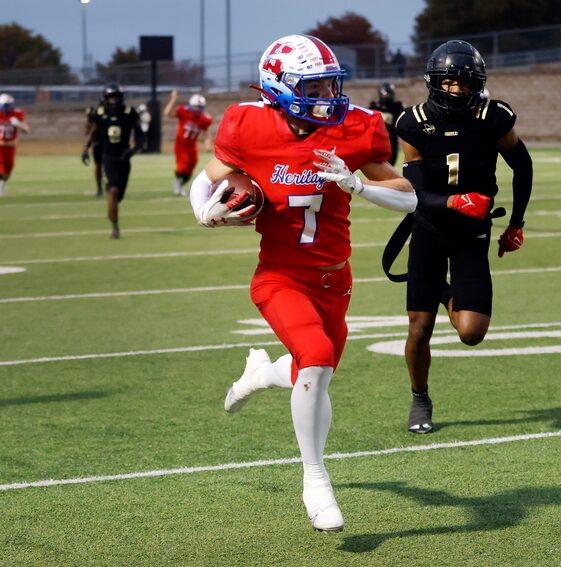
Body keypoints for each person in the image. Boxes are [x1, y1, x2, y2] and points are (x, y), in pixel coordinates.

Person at [187, 34, 416, 532]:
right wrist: (204, 213)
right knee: (313, 357)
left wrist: (357, 184)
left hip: (336, 279)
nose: (327, 97)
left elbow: (408, 196)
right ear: (278, 89)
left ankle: (259, 373)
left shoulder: (356, 128)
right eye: (314, 87)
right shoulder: (249, 125)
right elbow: (205, 181)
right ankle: (315, 480)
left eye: (331, 85)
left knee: (313, 368)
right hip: (279, 277)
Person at [392, 40, 533, 434]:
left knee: (471, 333)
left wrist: (516, 223)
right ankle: (420, 398)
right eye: (450, 81)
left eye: (465, 83)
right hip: (429, 229)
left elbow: (523, 167)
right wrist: (454, 201)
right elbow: (415, 193)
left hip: (473, 233)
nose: (457, 90)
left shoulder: (494, 117)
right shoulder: (413, 122)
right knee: (419, 330)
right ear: (435, 82)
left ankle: (444, 291)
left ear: (478, 85)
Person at [83, 84, 143, 239]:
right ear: (106, 99)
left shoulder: (129, 113)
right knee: (112, 192)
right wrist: (86, 147)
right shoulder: (100, 113)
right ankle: (115, 227)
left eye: (116, 97)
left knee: (119, 197)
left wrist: (133, 150)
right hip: (108, 157)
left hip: (124, 158)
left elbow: (140, 135)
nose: (114, 100)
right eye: (111, 97)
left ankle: (113, 215)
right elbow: (93, 130)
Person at [164, 90, 213, 196]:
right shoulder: (184, 112)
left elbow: (206, 131)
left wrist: (207, 142)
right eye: (196, 107)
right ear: (191, 105)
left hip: (192, 145)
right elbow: (167, 113)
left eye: (200, 107)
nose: (198, 110)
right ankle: (178, 183)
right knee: (183, 165)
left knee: (191, 167)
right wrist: (173, 99)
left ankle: (180, 184)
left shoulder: (204, 119)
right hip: (181, 144)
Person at [368, 83, 404, 166]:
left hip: (391, 139)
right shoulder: (374, 106)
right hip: (377, 140)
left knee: (391, 164)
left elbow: (400, 124)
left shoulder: (397, 106)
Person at [82, 97, 104, 196]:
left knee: (106, 166)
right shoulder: (96, 114)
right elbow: (89, 130)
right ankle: (100, 187)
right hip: (99, 142)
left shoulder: (116, 112)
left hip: (110, 143)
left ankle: (105, 187)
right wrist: (87, 145)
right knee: (99, 166)